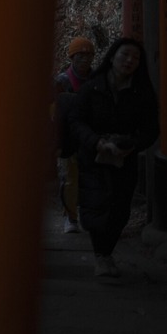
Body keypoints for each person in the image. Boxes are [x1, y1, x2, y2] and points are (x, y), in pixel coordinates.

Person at [68, 37, 159, 278]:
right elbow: (76, 121)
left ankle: (106, 252)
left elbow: (151, 129)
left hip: (124, 158)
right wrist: (96, 142)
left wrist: (133, 145)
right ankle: (102, 256)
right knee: (96, 206)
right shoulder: (92, 87)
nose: (129, 60)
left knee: (120, 209)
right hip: (94, 156)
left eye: (136, 57)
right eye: (125, 55)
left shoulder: (142, 93)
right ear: (112, 57)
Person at [53, 37, 95, 233]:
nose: (85, 59)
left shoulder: (97, 80)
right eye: (80, 55)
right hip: (69, 138)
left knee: (90, 178)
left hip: (90, 137)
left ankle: (88, 214)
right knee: (69, 178)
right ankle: (70, 217)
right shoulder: (62, 81)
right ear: (72, 57)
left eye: (88, 55)